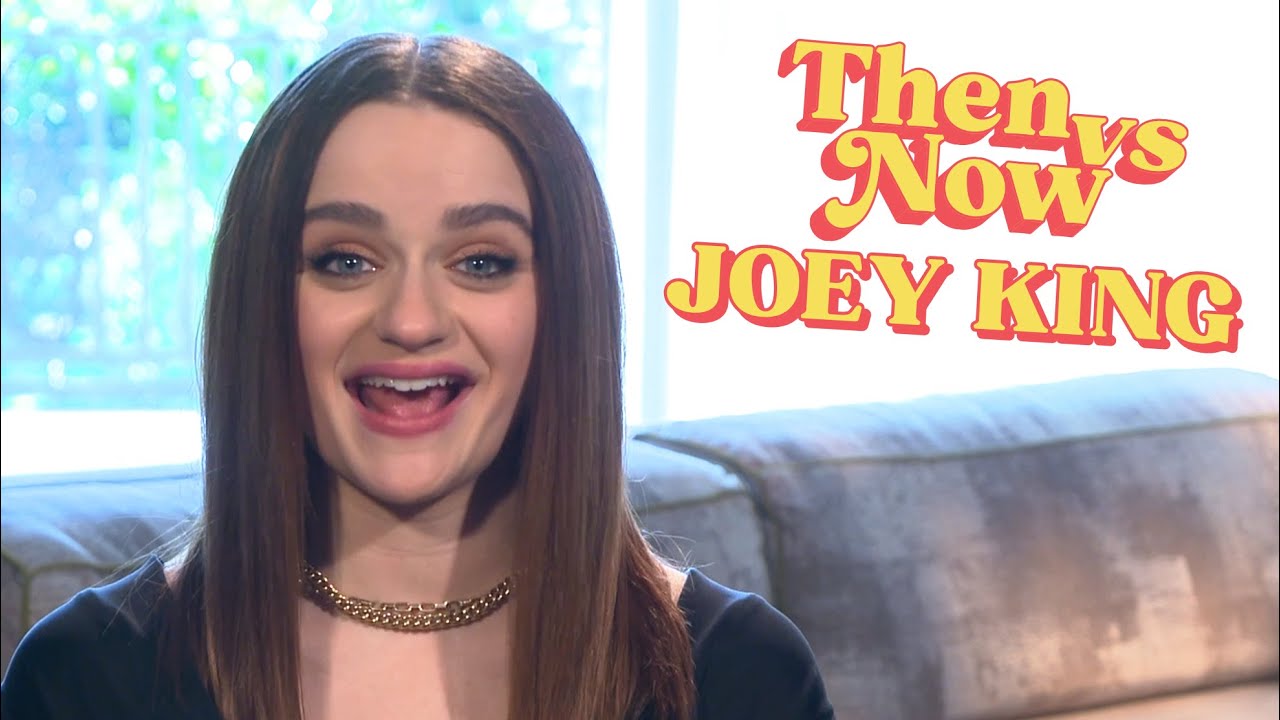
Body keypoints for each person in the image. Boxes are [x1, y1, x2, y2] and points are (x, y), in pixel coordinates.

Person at [0, 34, 834, 720]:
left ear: (566, 306)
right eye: (346, 260)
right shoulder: (85, 681)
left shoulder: (740, 679)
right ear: (261, 301)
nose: (409, 320)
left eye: (480, 262)